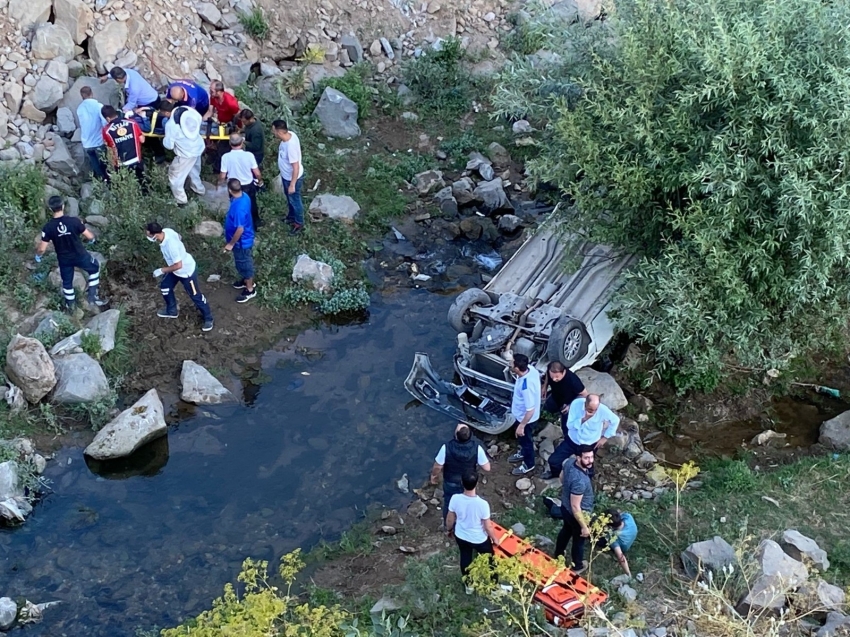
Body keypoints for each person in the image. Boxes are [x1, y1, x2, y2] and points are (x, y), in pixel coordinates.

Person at [35, 196, 107, 312]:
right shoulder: (74, 221)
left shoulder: (48, 228)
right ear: (63, 206)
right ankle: (92, 296)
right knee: (94, 268)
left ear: (50, 209)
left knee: (67, 283)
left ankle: (71, 307)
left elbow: (42, 248)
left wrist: (38, 256)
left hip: (64, 260)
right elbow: (89, 236)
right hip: (80, 255)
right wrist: (92, 240)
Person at [145, 222, 214, 332]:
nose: (147, 236)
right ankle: (172, 311)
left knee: (195, 296)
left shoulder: (170, 246)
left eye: (149, 235)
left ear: (155, 235)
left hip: (186, 272)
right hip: (175, 269)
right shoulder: (167, 231)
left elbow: (178, 265)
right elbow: (179, 237)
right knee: (165, 287)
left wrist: (162, 270)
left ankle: (208, 318)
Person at [542, 394, 620, 480]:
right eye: (590, 409)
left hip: (589, 443)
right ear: (585, 404)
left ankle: (587, 481)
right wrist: (584, 419)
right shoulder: (576, 404)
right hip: (572, 440)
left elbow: (615, 420)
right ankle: (557, 476)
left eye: (595, 410)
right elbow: (570, 426)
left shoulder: (602, 410)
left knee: (588, 465)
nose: (593, 412)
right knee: (553, 460)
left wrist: (605, 437)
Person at [446, 472, 501, 594]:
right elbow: (488, 526)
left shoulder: (455, 499)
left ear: (462, 483)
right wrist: (495, 539)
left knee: (465, 557)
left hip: (461, 535)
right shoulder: (482, 504)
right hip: (479, 539)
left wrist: (449, 530)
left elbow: (450, 518)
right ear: (477, 484)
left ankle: (469, 585)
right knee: (490, 560)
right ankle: (494, 588)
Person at [430, 423, 491, 525]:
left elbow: (438, 466)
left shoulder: (446, 447)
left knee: (449, 504)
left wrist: (434, 475)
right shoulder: (477, 448)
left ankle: (448, 524)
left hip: (451, 481)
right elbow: (487, 468)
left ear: (456, 436)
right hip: (468, 482)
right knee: (468, 502)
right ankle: (464, 520)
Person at [553, 446, 595, 572]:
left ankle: (558, 554)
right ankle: (577, 565)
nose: (590, 461)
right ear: (578, 457)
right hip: (577, 514)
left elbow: (561, 477)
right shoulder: (580, 481)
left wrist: (567, 487)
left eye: (592, 457)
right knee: (579, 540)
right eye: (586, 458)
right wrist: (584, 526)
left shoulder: (569, 462)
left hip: (564, 507)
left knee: (566, 530)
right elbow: (576, 506)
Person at [161, 100, 206, 206]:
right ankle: (199, 189)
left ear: (166, 113)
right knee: (194, 170)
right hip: (198, 146)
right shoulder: (186, 109)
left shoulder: (171, 125)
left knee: (175, 176)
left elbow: (169, 145)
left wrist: (165, 138)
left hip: (185, 154)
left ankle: (181, 200)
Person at [507, 354, 541, 476]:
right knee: (523, 440)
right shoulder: (531, 370)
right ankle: (522, 452)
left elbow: (530, 410)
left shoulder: (526, 387)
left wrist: (522, 425)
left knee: (526, 441)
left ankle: (529, 464)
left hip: (526, 419)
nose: (509, 363)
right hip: (521, 416)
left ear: (516, 368)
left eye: (512, 363)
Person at [219, 133, 263, 229]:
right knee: (252, 204)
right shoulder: (249, 155)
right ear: (242, 142)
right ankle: (256, 223)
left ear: (230, 143)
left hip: (234, 186)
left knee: (236, 206)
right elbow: (257, 172)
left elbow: (223, 175)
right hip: (248, 184)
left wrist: (220, 184)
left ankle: (238, 224)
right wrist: (260, 181)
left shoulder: (226, 157)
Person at [223, 179, 257, 303]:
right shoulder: (244, 196)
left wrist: (231, 244)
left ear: (230, 190)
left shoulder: (238, 209)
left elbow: (240, 229)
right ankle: (245, 281)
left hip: (241, 242)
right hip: (243, 239)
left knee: (244, 263)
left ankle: (250, 289)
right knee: (242, 262)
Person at [272, 119, 305, 236]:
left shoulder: (290, 146)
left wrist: (292, 184)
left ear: (279, 132)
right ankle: (291, 217)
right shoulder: (290, 134)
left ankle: (299, 223)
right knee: (290, 199)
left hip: (292, 179)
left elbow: (295, 167)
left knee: (295, 200)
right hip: (286, 177)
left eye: (274, 130)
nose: (273, 133)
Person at [101, 105, 146, 188]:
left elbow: (110, 150)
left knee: (127, 186)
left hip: (122, 164)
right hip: (136, 159)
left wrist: (112, 165)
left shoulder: (106, 131)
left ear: (107, 119)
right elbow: (142, 140)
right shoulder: (132, 123)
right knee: (142, 182)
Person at [542, 361, 588, 429]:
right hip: (556, 396)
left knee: (566, 425)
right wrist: (545, 386)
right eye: (552, 377)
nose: (554, 379)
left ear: (563, 372)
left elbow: (585, 395)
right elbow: (547, 375)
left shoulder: (573, 381)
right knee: (546, 406)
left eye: (557, 377)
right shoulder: (550, 371)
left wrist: (571, 406)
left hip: (568, 403)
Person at [76, 86, 108, 182]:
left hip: (86, 141)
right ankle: (107, 178)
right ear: (92, 93)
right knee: (103, 160)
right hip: (99, 140)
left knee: (94, 161)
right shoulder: (99, 106)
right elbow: (105, 123)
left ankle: (100, 179)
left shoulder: (79, 109)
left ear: (82, 96)